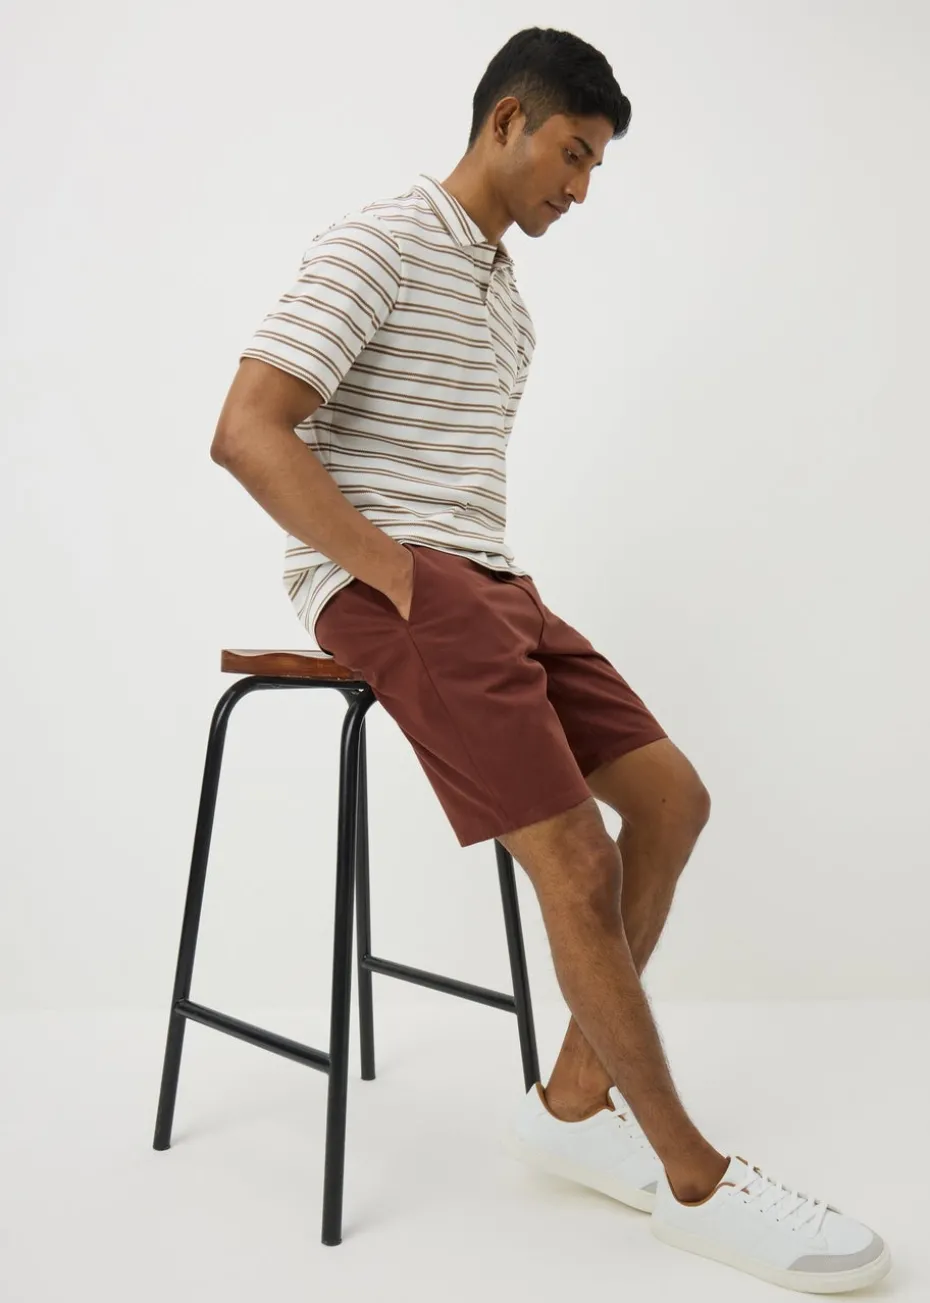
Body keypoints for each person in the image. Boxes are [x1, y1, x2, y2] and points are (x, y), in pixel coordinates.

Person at [210, 25, 890, 1294]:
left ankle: (575, 1102)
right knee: (575, 859)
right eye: (573, 154)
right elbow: (249, 429)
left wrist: (472, 587)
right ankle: (697, 1180)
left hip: (496, 585)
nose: (581, 188)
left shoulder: (507, 303)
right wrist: (395, 574)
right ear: (507, 120)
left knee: (671, 800)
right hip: (400, 589)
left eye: (595, 167)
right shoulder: (379, 240)